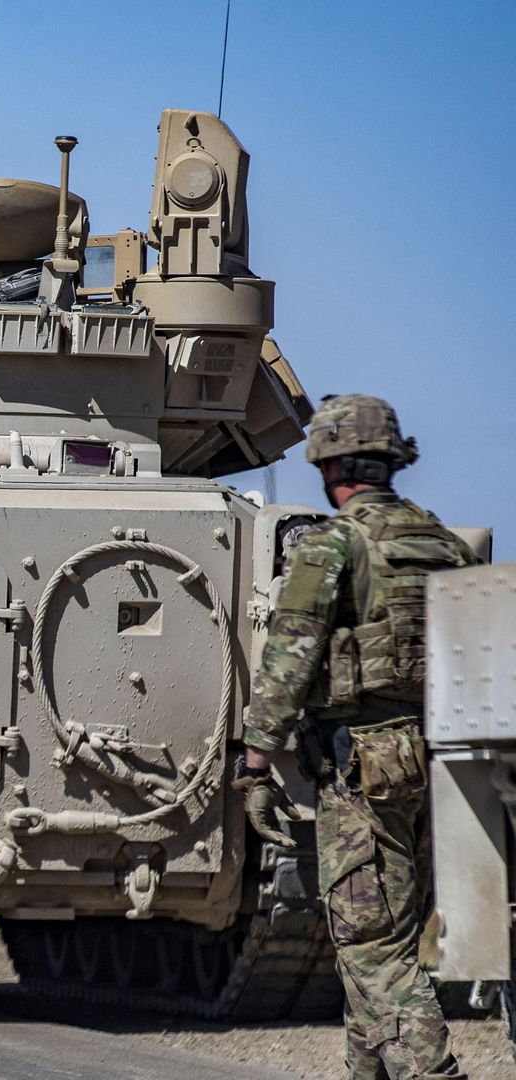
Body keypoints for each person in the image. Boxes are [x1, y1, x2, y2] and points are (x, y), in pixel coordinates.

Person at [237, 394, 476, 1080]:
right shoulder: (442, 542)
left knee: (372, 948)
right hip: (441, 762)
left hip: (367, 765)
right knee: (379, 941)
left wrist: (256, 765)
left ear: (328, 462)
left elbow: (290, 655)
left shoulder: (336, 542)